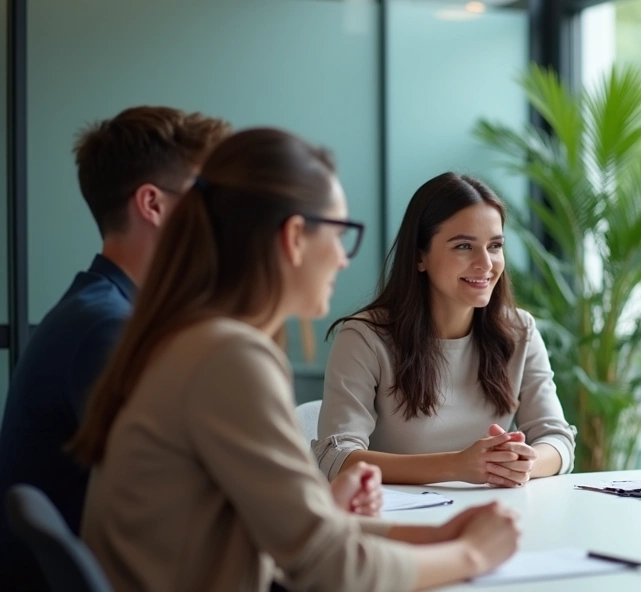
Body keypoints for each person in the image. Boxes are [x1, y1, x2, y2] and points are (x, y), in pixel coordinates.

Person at [67, 129, 520, 591]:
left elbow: (292, 533)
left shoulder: (193, 340)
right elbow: (330, 570)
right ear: (295, 237)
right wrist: (470, 554)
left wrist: (436, 536)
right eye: (342, 234)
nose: (344, 261)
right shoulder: (228, 358)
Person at [0, 106, 230, 590]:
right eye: (207, 196)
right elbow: (174, 496)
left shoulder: (108, 311)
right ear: (153, 204)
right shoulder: (106, 330)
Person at [314, 172, 575, 487]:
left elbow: (557, 438)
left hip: (494, 514)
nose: (486, 263)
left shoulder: (519, 331)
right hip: (395, 522)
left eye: (495, 246)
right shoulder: (365, 338)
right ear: (420, 257)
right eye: (464, 246)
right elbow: (338, 457)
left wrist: (522, 464)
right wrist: (457, 466)